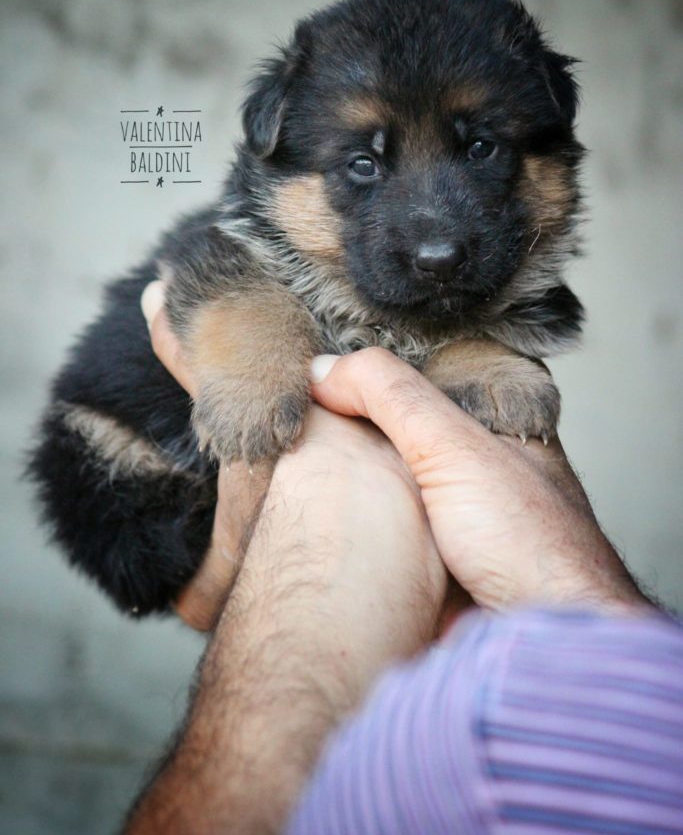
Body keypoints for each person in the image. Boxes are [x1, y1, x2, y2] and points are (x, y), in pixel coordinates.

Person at [123, 281, 683, 835]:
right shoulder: (534, 723)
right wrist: (583, 589)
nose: (437, 249)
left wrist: (307, 548)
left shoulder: (495, 739)